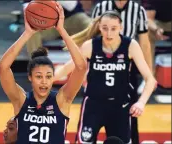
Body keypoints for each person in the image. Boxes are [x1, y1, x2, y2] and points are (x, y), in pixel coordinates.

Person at [54, 10, 156, 143]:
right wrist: (50, 77)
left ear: (121, 28)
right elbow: (68, 67)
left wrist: (141, 103)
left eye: (113, 29)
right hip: (93, 105)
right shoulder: (90, 46)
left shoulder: (130, 46)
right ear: (99, 27)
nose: (109, 33)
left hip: (120, 106)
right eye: (105, 28)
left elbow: (150, 79)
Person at [0, 3, 87, 144]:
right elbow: (3, 68)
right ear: (30, 78)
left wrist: (62, 30)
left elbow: (81, 67)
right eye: (39, 76)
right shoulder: (21, 100)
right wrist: (27, 33)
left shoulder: (62, 100)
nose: (44, 81)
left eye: (48, 76)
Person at [91, 0, 153, 143]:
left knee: (131, 112)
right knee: (95, 109)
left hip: (126, 66)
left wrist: (148, 74)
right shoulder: (101, 7)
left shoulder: (138, 10)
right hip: (101, 66)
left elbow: (144, 42)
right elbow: (91, 37)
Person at [21, 0, 91, 57]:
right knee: (32, 29)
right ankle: (37, 62)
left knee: (90, 23)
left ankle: (95, 57)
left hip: (71, 18)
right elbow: (28, 11)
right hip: (47, 23)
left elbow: (71, 6)